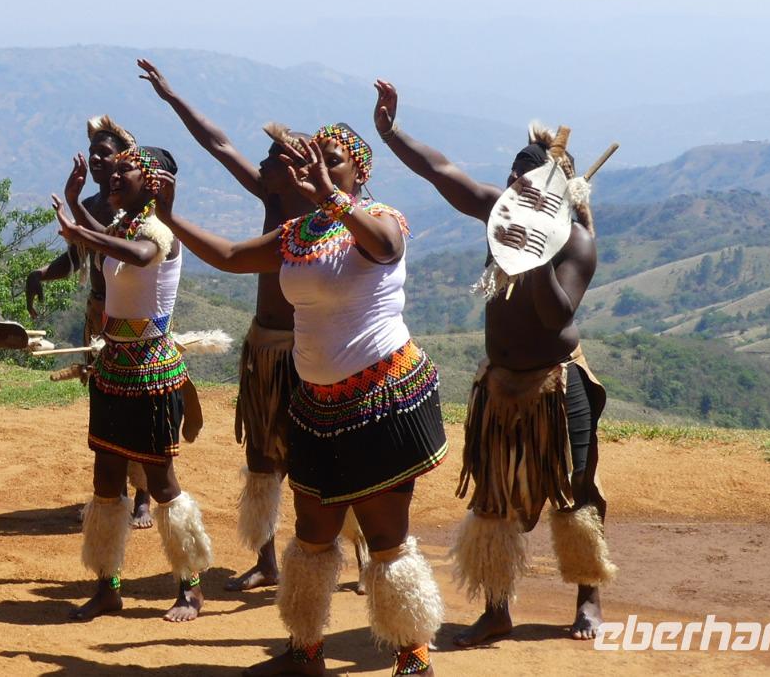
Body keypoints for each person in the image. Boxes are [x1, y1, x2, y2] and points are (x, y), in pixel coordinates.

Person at [154, 125, 447, 676]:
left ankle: (412, 654)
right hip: (314, 404)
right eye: (313, 161)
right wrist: (168, 216)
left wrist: (331, 198)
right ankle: (305, 648)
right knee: (312, 536)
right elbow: (232, 255)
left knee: (386, 538)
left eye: (333, 160)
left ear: (359, 171)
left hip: (380, 399)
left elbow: (385, 248)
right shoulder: (299, 232)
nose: (320, 168)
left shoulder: (380, 219)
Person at [374, 81, 616, 646]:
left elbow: (557, 315)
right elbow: (440, 171)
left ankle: (588, 597)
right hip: (500, 385)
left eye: (524, 185)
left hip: (557, 384)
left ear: (551, 195)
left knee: (574, 489)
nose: (511, 191)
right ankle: (497, 608)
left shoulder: (577, 243)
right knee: (492, 498)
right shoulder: (498, 214)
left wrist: (534, 252)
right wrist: (390, 132)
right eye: (510, 182)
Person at [137, 58, 318, 592]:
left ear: (298, 169)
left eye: (273, 157)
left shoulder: (325, 215)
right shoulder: (272, 196)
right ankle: (267, 560)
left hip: (312, 352)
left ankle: (343, 552)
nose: (260, 163)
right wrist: (172, 97)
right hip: (264, 349)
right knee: (262, 456)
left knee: (319, 455)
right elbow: (217, 145)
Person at [55, 144, 214, 624]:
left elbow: (140, 255)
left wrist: (82, 229)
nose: (116, 174)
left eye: (127, 168)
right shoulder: (125, 225)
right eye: (117, 167)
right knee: (106, 478)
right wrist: (76, 202)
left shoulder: (159, 229)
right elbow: (110, 241)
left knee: (161, 481)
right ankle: (109, 586)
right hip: (114, 368)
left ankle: (190, 588)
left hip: (150, 371)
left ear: (157, 182)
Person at [25, 114, 157, 528]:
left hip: (134, 318)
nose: (98, 160)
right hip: (99, 314)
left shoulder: (139, 211)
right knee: (109, 402)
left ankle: (143, 496)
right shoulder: (100, 205)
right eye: (94, 153)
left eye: (107, 153)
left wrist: (77, 209)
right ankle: (114, 488)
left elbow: (114, 248)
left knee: (141, 402)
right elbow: (78, 257)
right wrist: (43, 272)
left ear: (124, 160)